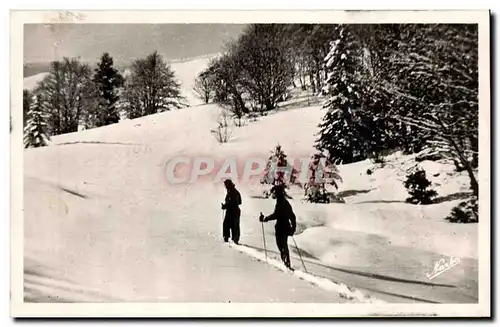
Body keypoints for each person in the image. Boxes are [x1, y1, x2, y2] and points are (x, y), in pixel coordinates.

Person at [259, 184, 297, 269]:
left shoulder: (281, 203)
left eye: (274, 193)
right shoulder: (284, 202)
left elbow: (277, 215)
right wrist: (293, 228)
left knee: (282, 245)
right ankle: (286, 263)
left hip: (281, 228)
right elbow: (292, 216)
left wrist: (266, 218)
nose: (273, 194)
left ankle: (286, 263)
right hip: (285, 227)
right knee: (283, 245)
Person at [221, 179, 242, 244]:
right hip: (236, 211)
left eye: (225, 185)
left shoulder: (231, 192)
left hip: (231, 212)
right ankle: (235, 238)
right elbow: (240, 202)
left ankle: (227, 238)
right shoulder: (235, 191)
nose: (225, 186)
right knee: (235, 225)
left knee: (227, 224)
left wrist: (225, 206)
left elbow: (231, 203)